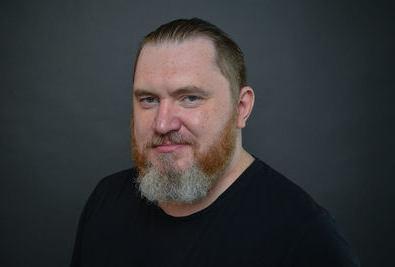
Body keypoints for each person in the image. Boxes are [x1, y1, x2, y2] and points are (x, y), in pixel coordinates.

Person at [71, 18, 360, 267]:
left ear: (241, 107)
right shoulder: (105, 200)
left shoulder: (305, 237)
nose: (162, 123)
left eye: (189, 98)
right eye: (149, 100)